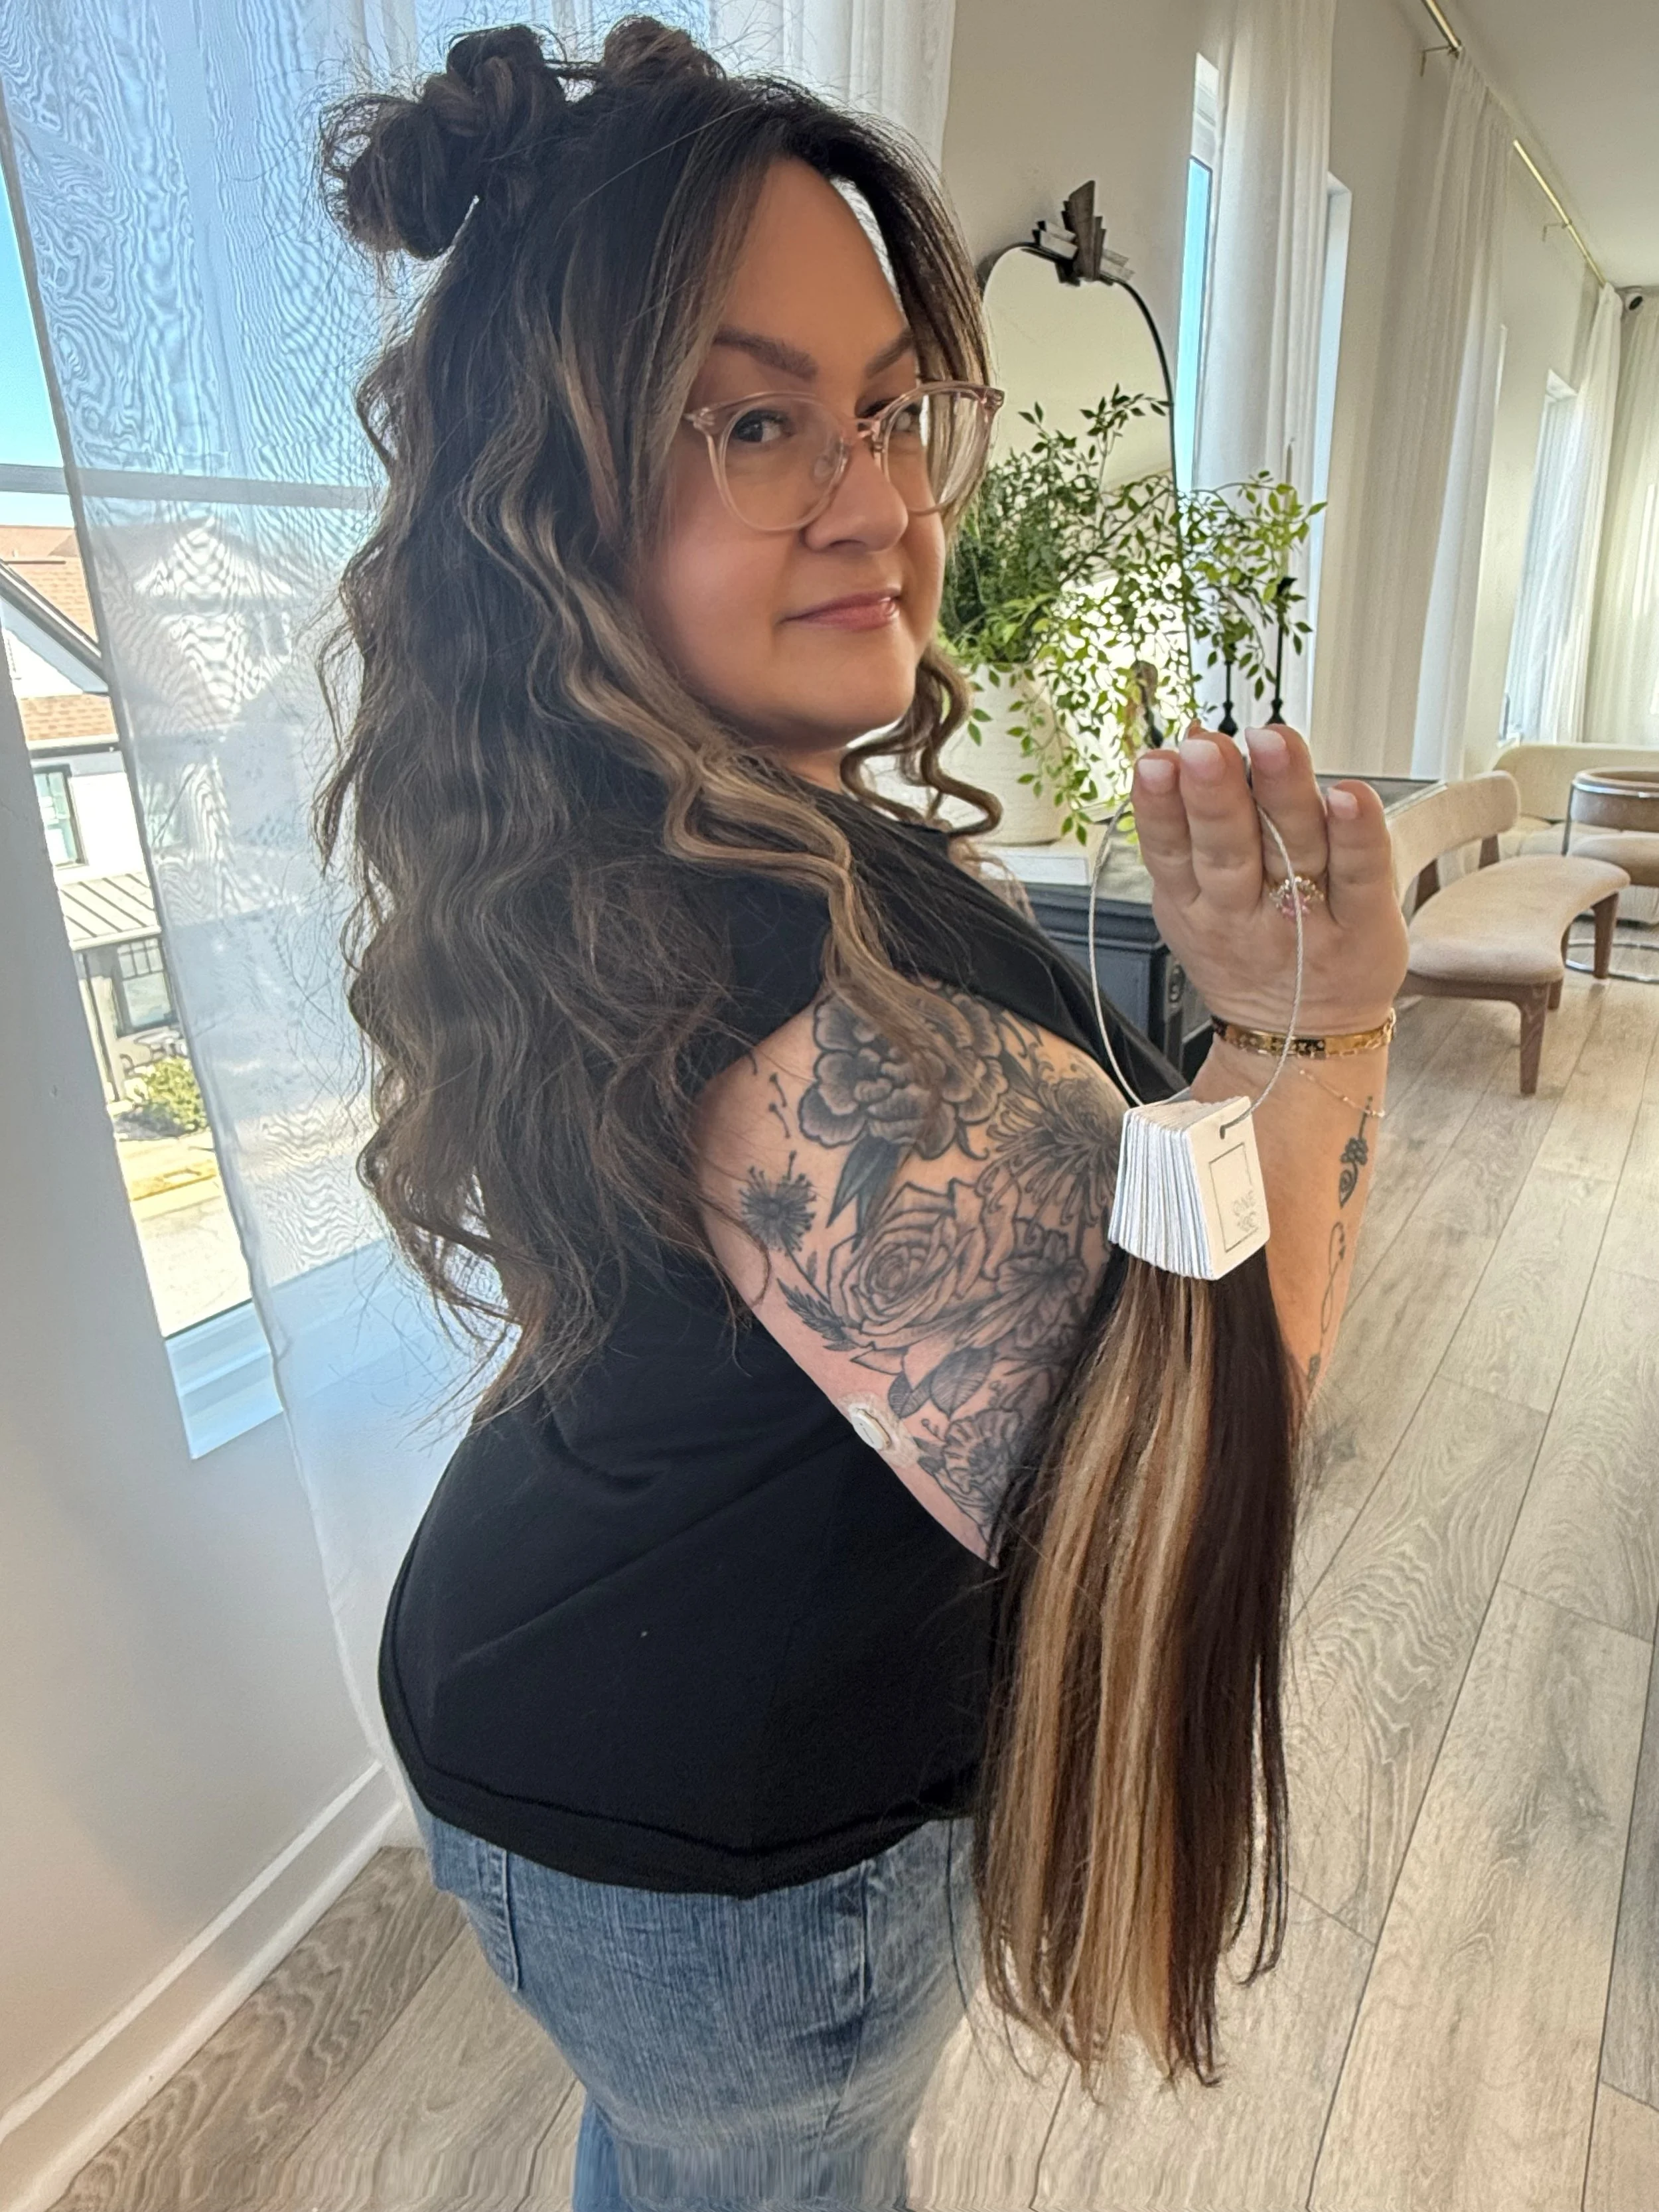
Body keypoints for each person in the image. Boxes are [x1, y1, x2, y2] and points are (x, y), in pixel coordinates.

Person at [315, 19, 1410, 2208]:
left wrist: (1238, 1041)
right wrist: (1323, 1022)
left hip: (583, 1705)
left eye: (892, 408)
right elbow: (1226, 1389)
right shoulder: (745, 962)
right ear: (560, 495)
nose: (884, 500)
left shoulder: (667, 813)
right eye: (754, 422)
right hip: (711, 1847)